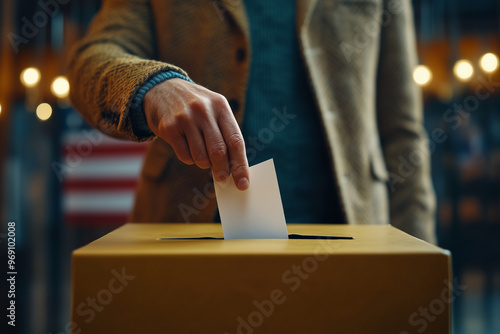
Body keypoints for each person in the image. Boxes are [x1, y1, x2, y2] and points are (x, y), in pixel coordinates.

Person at [68, 0, 436, 243]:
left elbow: (401, 131)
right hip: (186, 242)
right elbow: (89, 61)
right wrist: (151, 85)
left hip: (352, 238)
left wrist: (420, 269)